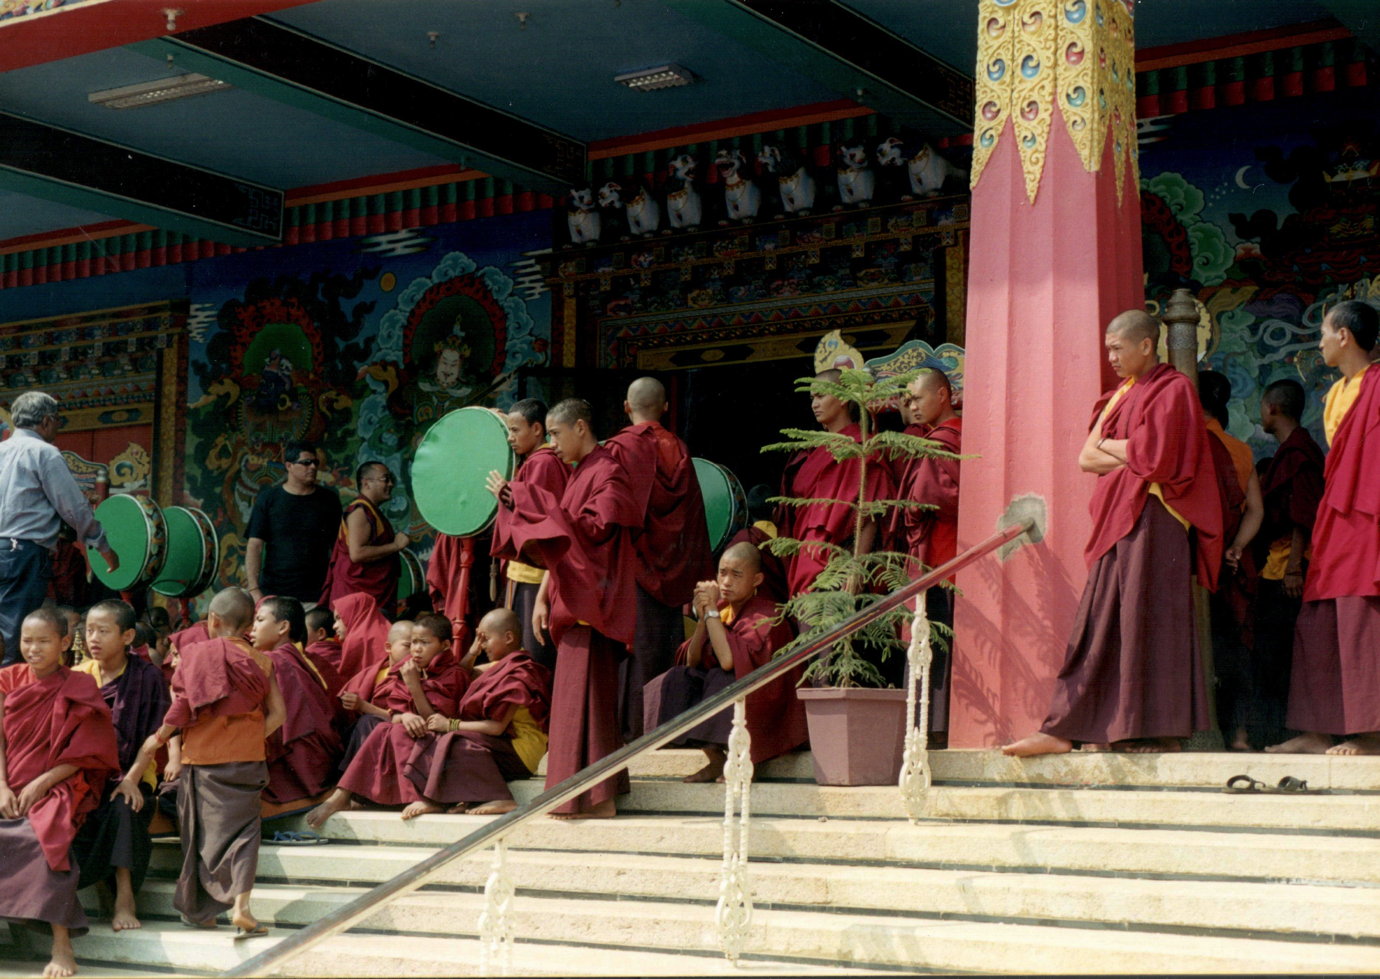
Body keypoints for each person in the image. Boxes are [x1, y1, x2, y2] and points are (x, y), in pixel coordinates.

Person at [1003, 310, 1225, 757]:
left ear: (1146, 345)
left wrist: (1120, 450)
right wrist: (1133, 453)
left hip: (1155, 520)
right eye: (1107, 349)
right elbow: (1086, 458)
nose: (1111, 357)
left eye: (1118, 347)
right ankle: (1075, 726)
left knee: (1151, 621)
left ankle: (1153, 731)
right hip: (1118, 518)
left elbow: (1160, 459)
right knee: (1103, 619)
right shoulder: (1122, 394)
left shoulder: (1175, 388)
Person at [487, 398, 642, 818]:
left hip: (593, 603)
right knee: (580, 701)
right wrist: (543, 595)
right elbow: (563, 540)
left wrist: (524, 498)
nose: (552, 445)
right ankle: (593, 797)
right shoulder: (580, 475)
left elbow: (593, 533)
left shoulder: (609, 471)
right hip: (571, 598)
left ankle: (597, 800)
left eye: (555, 434)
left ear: (579, 427)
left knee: (587, 702)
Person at [131, 587, 285, 936]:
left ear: (213, 620)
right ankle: (242, 907)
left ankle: (203, 911)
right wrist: (248, 736)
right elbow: (279, 714)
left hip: (204, 759)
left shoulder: (196, 655)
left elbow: (183, 708)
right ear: (248, 625)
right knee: (246, 834)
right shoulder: (263, 660)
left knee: (202, 835)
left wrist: (159, 737)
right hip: (247, 758)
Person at [1269, 300, 1380, 755]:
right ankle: (1318, 729)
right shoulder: (1338, 393)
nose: (1318, 341)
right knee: (1317, 623)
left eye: (1323, 332)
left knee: (1362, 618)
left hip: (1368, 517)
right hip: (1337, 516)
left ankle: (1371, 733)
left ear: (1344, 337)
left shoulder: (1377, 385)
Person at [0, 608, 119, 979]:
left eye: (43, 641)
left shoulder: (80, 687)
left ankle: (61, 943)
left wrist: (44, 781)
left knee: (46, 838)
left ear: (65, 643)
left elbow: (92, 749)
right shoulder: (7, 679)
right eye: (27, 641)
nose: (33, 649)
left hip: (60, 784)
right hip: (7, 781)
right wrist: (2, 786)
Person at [605, 377, 713, 741]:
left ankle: (627, 734)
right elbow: (691, 518)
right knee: (662, 649)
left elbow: (611, 514)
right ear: (665, 408)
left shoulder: (619, 449)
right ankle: (660, 728)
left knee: (631, 654)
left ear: (626, 406)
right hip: (669, 574)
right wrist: (689, 571)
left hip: (631, 571)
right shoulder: (678, 448)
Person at [643, 542, 805, 782]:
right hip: (733, 690)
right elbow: (692, 660)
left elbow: (729, 661)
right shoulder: (721, 610)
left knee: (722, 678)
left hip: (767, 701)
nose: (726, 582)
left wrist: (710, 612)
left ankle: (746, 761)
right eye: (722, 573)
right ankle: (716, 760)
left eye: (737, 575)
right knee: (677, 679)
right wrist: (703, 619)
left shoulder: (767, 614)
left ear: (757, 579)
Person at [305, 614, 468, 828]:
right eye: (413, 643)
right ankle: (345, 794)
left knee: (382, 729)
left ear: (445, 645)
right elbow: (397, 713)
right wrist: (405, 716)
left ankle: (345, 795)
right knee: (380, 727)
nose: (416, 649)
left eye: (423, 643)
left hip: (442, 738)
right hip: (412, 734)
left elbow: (434, 720)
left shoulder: (453, 674)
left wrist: (413, 686)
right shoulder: (413, 669)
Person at [70, 599, 169, 933]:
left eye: (103, 631)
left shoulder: (148, 676)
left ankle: (125, 896)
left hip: (134, 772)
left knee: (123, 807)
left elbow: (155, 736)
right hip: (84, 774)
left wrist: (130, 779)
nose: (92, 638)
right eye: (88, 630)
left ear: (127, 636)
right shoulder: (77, 676)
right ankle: (82, 889)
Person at [400, 608, 553, 818]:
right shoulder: (498, 666)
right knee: (446, 740)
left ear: (508, 637)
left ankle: (502, 798)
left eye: (486, 639)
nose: (482, 645)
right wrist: (473, 651)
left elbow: (497, 727)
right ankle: (461, 798)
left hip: (522, 751)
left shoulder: (519, 671)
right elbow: (462, 673)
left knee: (455, 741)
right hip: (504, 745)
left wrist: (451, 725)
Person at [0, 391, 116, 666]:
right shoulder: (44, 453)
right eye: (58, 421)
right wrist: (102, 545)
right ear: (47, 421)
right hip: (23, 552)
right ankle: (8, 703)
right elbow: (73, 507)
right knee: (15, 633)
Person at [776, 370, 893, 599]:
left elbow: (870, 512)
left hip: (841, 558)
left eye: (820, 396)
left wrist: (857, 565)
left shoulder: (863, 448)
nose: (814, 404)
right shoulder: (816, 451)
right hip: (806, 557)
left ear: (842, 398)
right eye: (812, 399)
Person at [1252, 379, 1324, 747]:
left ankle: (1292, 732)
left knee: (1278, 650)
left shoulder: (1299, 453)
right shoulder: (1291, 450)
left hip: (1290, 568)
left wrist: (1295, 566)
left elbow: (1303, 514)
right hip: (1279, 563)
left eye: (1263, 406)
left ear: (1273, 409)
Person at [1197, 370, 1265, 751]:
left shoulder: (1189, 443)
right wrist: (1236, 546)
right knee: (1236, 644)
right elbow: (1255, 510)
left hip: (1196, 556)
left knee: (1198, 642)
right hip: (1231, 560)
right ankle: (1239, 735)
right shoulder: (1240, 449)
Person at [896, 369, 963, 733]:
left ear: (942, 395)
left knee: (937, 639)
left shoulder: (947, 439)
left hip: (943, 556)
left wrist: (917, 503)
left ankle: (934, 729)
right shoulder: (937, 439)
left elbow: (943, 497)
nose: (913, 406)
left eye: (918, 398)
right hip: (934, 555)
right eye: (908, 400)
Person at [492, 397, 568, 670]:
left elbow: (542, 519)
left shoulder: (544, 463)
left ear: (537, 430)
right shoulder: (531, 461)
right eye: (508, 431)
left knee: (535, 652)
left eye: (515, 431)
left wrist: (509, 495)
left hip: (537, 576)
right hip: (522, 574)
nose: (510, 438)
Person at [251, 597, 342, 815]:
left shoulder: (277, 661)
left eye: (260, 620)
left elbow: (282, 722)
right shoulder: (298, 658)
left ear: (283, 627)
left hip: (297, 760)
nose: (252, 627)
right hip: (318, 761)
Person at [244, 440, 341, 606]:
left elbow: (338, 549)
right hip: (274, 594)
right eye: (305, 463)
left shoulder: (329, 500)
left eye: (315, 462)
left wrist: (335, 589)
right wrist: (254, 590)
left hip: (316, 595)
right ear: (289, 466)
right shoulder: (268, 498)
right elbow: (255, 545)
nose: (312, 467)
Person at [321, 462, 411, 609]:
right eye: (385, 479)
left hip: (372, 595)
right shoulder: (360, 511)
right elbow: (357, 553)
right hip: (356, 597)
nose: (391, 484)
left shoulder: (372, 510)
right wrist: (395, 546)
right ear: (366, 483)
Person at [336, 619, 415, 770]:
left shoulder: (418, 676)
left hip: (396, 731)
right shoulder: (375, 672)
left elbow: (398, 717)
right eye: (408, 645)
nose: (415, 651)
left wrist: (362, 706)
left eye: (419, 644)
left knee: (367, 721)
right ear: (388, 647)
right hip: (367, 731)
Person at [332, 591, 392, 679]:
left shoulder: (356, 639)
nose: (334, 626)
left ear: (354, 614)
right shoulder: (388, 630)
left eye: (339, 618)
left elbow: (345, 679)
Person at [301, 606, 347, 698]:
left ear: (321, 633)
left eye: (304, 631)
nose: (301, 635)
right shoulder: (344, 651)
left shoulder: (310, 654)